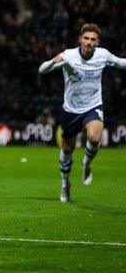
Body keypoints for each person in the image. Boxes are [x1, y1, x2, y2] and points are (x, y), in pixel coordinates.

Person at [38, 23, 126, 202]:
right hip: (71, 110)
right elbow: (42, 69)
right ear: (80, 39)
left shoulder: (103, 55)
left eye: (93, 39)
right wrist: (53, 61)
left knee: (94, 138)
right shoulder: (69, 56)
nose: (89, 42)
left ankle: (86, 164)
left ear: (97, 42)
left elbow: (121, 63)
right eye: (86, 38)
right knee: (67, 149)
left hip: (93, 106)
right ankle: (65, 183)